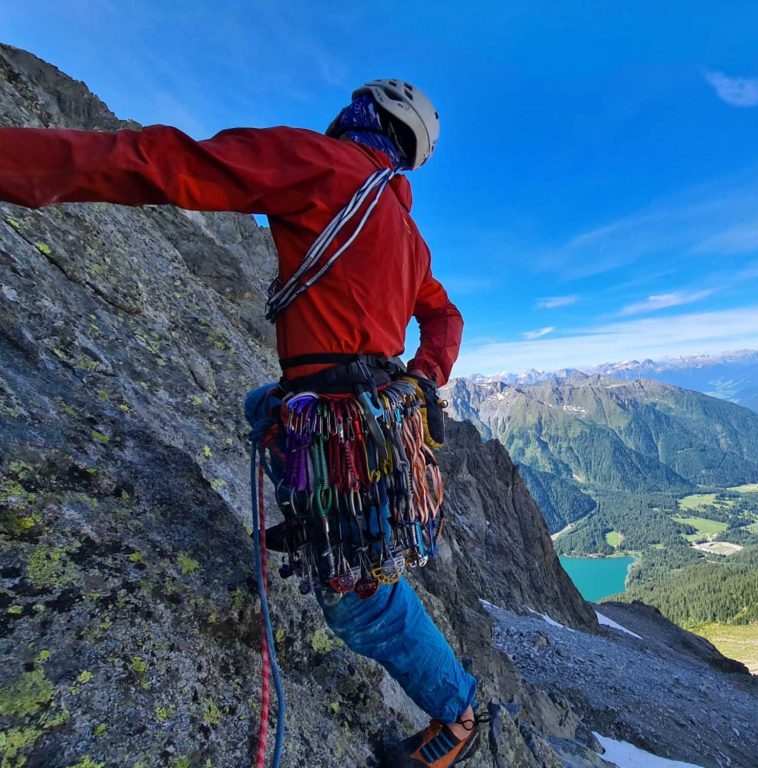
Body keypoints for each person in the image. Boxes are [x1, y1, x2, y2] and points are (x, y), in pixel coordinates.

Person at [0, 78, 484, 767]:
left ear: (366, 117)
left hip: (338, 425)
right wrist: (422, 376)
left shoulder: (319, 164)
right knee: (266, 408)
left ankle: (457, 714)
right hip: (367, 417)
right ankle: (311, 512)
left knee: (362, 602)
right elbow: (445, 314)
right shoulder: (406, 233)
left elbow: (160, 163)